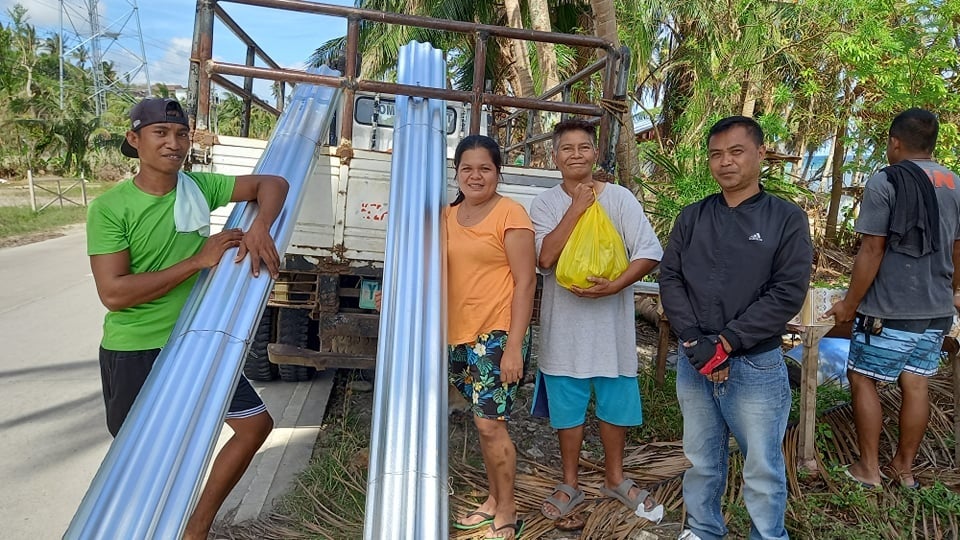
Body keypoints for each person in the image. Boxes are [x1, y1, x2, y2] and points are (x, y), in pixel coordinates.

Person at [86, 97, 288, 540]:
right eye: (160, 133)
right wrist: (197, 262)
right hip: (135, 348)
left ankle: (196, 528)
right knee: (138, 461)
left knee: (255, 426)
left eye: (181, 134)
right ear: (134, 140)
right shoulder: (111, 208)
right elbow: (114, 293)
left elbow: (272, 182)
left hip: (195, 340)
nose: (173, 143)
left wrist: (261, 228)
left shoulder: (196, 187)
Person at [659, 116, 812, 540]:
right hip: (695, 362)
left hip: (755, 366)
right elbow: (670, 278)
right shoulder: (693, 217)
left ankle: (766, 535)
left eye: (735, 152)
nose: (724, 162)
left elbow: (787, 292)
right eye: (715, 155)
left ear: (761, 154)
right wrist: (695, 342)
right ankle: (705, 530)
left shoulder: (786, 219)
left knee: (762, 466)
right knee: (701, 459)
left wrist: (725, 343)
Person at [530, 119, 664, 525]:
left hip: (612, 332)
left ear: (595, 154)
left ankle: (614, 478)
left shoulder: (621, 199)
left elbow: (649, 251)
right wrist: (576, 208)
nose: (575, 154)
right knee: (568, 410)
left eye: (583, 147)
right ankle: (570, 482)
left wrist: (616, 285)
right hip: (563, 332)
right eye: (566, 148)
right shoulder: (545, 203)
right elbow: (545, 259)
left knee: (615, 406)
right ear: (554, 157)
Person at [825, 108, 960, 490]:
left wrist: (849, 305)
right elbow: (958, 249)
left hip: (891, 308)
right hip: (936, 310)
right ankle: (903, 469)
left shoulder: (886, 181)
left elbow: (872, 248)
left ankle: (868, 468)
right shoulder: (955, 183)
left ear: (894, 142)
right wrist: (951, 294)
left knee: (862, 376)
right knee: (915, 383)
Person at [445, 135, 536, 540]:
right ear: (457, 172)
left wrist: (514, 346)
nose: (475, 175)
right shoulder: (447, 216)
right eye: (467, 168)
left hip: (496, 333)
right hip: (457, 334)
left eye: (485, 168)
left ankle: (507, 507)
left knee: (490, 425)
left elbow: (526, 282)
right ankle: (492, 500)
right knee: (485, 423)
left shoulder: (510, 214)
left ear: (498, 172)